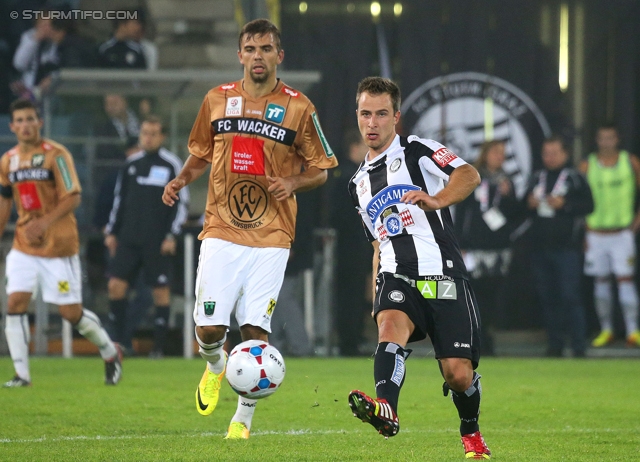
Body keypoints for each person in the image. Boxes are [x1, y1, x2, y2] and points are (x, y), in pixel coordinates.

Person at [162, 19, 338, 439]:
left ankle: (242, 420)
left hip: (273, 234)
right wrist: (181, 180)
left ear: (280, 56)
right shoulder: (216, 99)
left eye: (266, 49)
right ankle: (215, 366)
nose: (258, 56)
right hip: (222, 228)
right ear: (239, 55)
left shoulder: (299, 107)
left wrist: (293, 182)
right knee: (209, 330)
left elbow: (322, 168)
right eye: (251, 49)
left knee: (256, 332)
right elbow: (201, 152)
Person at [346, 77, 491, 459]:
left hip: (441, 275)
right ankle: (386, 409)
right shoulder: (358, 184)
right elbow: (377, 242)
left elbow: (469, 174)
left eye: (380, 114)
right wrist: (375, 285)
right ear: (358, 118)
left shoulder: (418, 150)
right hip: (397, 274)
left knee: (457, 374)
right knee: (388, 327)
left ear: (396, 117)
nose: (372, 123)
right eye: (365, 114)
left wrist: (436, 199)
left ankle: (470, 431)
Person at [0, 98, 122, 387]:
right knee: (15, 301)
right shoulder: (8, 161)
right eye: (20, 120)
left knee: (70, 313)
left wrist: (44, 221)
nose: (26, 125)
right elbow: (5, 199)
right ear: (12, 125)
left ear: (40, 122)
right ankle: (22, 375)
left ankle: (109, 351)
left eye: (31, 119)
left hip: (58, 247)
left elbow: (73, 196)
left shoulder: (57, 155)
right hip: (23, 245)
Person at [104, 116, 188, 357]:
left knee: (160, 292)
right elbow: (119, 200)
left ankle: (158, 348)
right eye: (145, 133)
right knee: (115, 287)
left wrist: (172, 234)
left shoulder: (172, 164)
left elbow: (182, 203)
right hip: (129, 238)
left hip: (157, 239)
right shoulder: (131, 164)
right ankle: (119, 343)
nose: (148, 138)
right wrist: (112, 231)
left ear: (162, 137)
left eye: (153, 133)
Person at [524, 136, 593, 357]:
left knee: (570, 296)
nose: (549, 158)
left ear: (565, 154)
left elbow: (589, 205)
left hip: (567, 248)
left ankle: (579, 347)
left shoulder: (574, 178)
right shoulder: (537, 177)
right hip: (540, 248)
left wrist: (566, 205)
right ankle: (554, 346)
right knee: (548, 297)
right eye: (546, 153)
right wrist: (530, 203)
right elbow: (522, 206)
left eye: (554, 153)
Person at [454, 140, 518, 356]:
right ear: (485, 154)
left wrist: (508, 196)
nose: (500, 156)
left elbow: (514, 214)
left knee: (494, 294)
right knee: (474, 294)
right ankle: (473, 340)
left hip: (499, 248)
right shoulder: (472, 177)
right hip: (475, 247)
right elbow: (462, 211)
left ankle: (488, 339)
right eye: (496, 152)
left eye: (503, 153)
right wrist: (460, 243)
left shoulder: (506, 180)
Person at [580, 123, 640, 347]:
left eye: (610, 137)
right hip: (596, 234)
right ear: (597, 140)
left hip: (622, 233)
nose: (606, 142)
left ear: (618, 139)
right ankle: (607, 329)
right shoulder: (588, 165)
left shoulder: (629, 161)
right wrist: (585, 230)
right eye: (602, 138)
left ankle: (633, 331)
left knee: (626, 280)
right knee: (601, 281)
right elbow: (578, 197)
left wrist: (637, 220)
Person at [330, 128, 373, 356]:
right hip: (352, 245)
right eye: (365, 147)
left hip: (352, 244)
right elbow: (343, 213)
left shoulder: (347, 173)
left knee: (353, 292)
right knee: (351, 293)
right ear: (354, 148)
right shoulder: (351, 176)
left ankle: (351, 337)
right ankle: (349, 341)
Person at [269, 190, 315, 357]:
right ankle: (274, 347)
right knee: (271, 300)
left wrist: (292, 247)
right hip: (270, 253)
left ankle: (300, 346)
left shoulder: (293, 190)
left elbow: (301, 221)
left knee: (283, 298)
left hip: (288, 256)